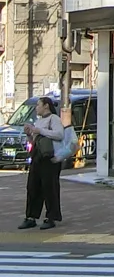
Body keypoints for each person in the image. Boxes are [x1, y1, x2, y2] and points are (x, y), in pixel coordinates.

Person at [19, 97, 64, 231]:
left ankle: (51, 217)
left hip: (50, 158)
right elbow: (34, 141)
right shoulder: (38, 121)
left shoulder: (54, 119)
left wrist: (40, 131)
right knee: (32, 186)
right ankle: (31, 217)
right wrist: (29, 134)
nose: (36, 108)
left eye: (38, 105)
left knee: (49, 187)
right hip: (37, 157)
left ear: (46, 106)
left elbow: (59, 134)